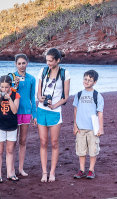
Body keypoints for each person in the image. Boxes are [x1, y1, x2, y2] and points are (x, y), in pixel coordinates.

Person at [36, 48, 70, 182]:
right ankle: (44, 172)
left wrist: (54, 105)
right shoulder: (42, 71)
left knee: (54, 143)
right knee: (43, 142)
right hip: (41, 109)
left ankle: (52, 172)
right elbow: (38, 93)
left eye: (51, 61)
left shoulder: (65, 73)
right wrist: (41, 98)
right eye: (47, 61)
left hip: (55, 111)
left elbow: (66, 97)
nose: (48, 63)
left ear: (58, 60)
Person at [73, 70, 104, 179]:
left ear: (94, 82)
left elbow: (100, 113)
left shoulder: (97, 95)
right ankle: (81, 170)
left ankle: (91, 170)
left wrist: (101, 128)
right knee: (81, 150)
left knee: (93, 150)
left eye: (90, 80)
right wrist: (75, 126)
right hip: (80, 128)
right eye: (85, 79)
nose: (87, 81)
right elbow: (76, 110)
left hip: (92, 128)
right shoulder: (78, 94)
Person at [10, 54, 37, 177]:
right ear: (16, 64)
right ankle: (11, 169)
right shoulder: (11, 76)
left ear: (27, 63)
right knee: (12, 141)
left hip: (26, 112)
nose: (21, 65)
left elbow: (32, 97)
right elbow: (7, 94)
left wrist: (34, 114)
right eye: (19, 63)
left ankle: (21, 168)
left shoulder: (31, 79)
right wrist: (14, 86)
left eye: (23, 63)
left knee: (23, 141)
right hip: (14, 111)